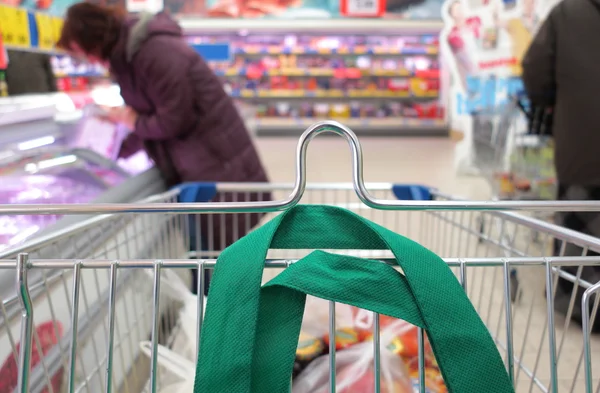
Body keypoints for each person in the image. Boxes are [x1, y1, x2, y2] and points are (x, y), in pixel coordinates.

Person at [57, 2, 271, 294]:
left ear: (90, 37)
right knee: (209, 255)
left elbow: (173, 119)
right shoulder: (130, 56)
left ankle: (218, 321)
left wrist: (130, 120)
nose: (85, 58)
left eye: (79, 48)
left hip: (213, 163)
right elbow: (152, 108)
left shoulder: (154, 52)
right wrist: (117, 148)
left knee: (213, 254)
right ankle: (212, 314)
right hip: (199, 163)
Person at [522, 0, 600, 331]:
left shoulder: (568, 12)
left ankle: (582, 306)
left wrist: (551, 102)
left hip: (584, 145)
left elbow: (535, 69)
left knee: (581, 222)